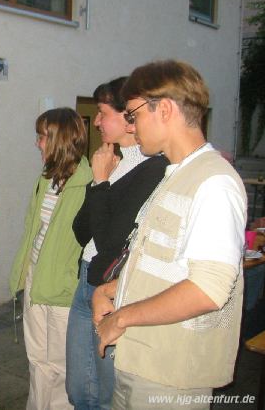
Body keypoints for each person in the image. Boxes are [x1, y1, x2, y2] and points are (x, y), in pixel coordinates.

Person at [93, 60, 247, 409]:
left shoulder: (214, 183)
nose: (130, 125)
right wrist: (111, 291)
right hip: (141, 360)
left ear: (163, 109)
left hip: (171, 374)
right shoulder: (175, 175)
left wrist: (122, 316)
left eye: (132, 115)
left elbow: (207, 289)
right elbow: (167, 265)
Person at [65, 77, 167, 409]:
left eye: (102, 113)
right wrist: (101, 181)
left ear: (128, 117)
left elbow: (109, 242)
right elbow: (81, 230)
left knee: (107, 396)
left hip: (112, 290)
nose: (95, 122)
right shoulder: (113, 159)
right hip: (86, 279)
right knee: (79, 392)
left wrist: (99, 181)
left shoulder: (155, 167)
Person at [9, 107, 93, 410]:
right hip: (36, 277)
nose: (37, 143)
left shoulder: (89, 183)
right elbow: (33, 230)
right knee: (37, 361)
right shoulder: (46, 179)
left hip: (63, 289)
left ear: (59, 139)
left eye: (42, 136)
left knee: (60, 365)